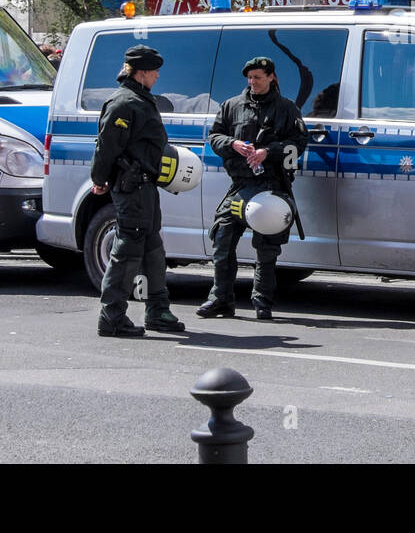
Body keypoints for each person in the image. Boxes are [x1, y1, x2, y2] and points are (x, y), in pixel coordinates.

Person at [197, 56, 308, 321]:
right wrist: (233, 144)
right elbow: (215, 136)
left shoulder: (287, 109)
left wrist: (268, 152)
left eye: (258, 77)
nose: (252, 82)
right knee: (222, 239)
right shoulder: (232, 106)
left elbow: (298, 144)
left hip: (271, 187)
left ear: (271, 77)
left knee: (266, 248)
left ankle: (262, 302)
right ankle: (220, 299)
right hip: (240, 188)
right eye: (250, 78)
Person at [92, 45, 185, 337]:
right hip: (131, 186)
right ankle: (112, 317)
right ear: (142, 72)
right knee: (127, 250)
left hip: (146, 186)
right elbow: (107, 146)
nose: (158, 76)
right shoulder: (124, 102)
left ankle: (158, 310)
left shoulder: (140, 99)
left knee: (152, 249)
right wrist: (99, 178)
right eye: (154, 71)